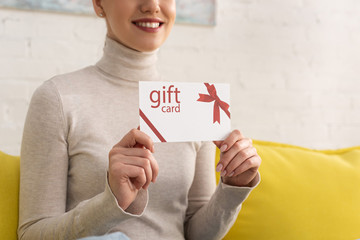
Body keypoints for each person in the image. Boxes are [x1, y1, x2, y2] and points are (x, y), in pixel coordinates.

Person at [17, 0, 261, 239]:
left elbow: (196, 234)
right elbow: (31, 234)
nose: (152, 5)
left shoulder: (199, 103)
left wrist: (233, 188)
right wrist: (111, 202)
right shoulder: (58, 98)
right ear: (98, 4)